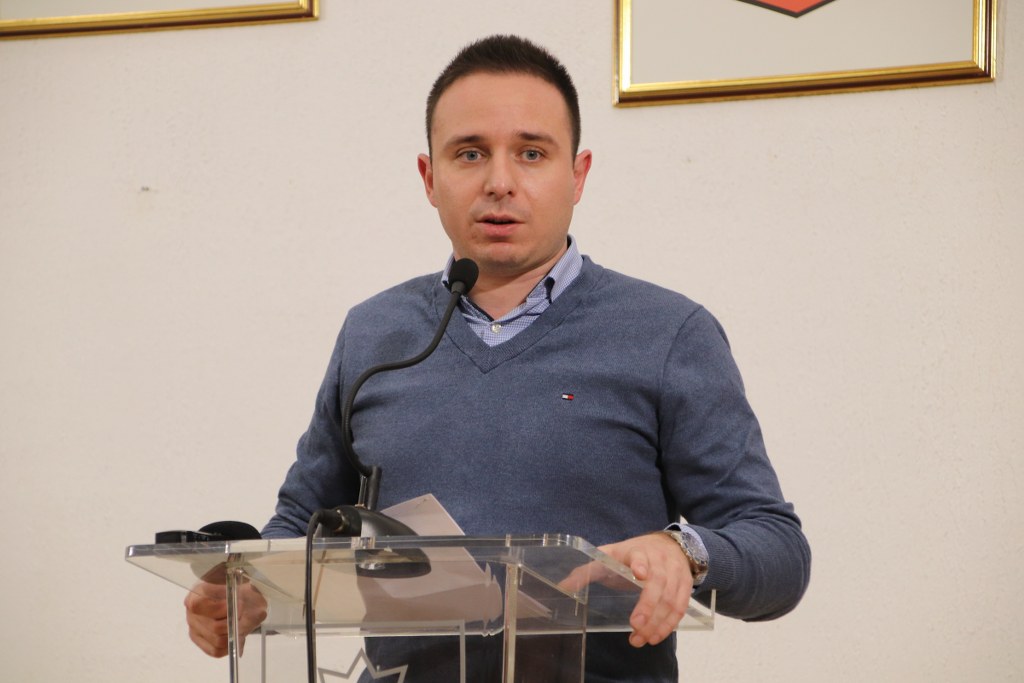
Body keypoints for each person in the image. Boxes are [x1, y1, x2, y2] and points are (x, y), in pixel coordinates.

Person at [185, 34, 811, 681]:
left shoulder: (669, 333)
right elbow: (301, 522)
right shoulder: (373, 333)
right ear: (430, 178)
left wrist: (683, 553)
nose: (500, 182)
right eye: (470, 153)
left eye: (531, 153)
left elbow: (778, 550)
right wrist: (250, 589)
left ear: (578, 174)